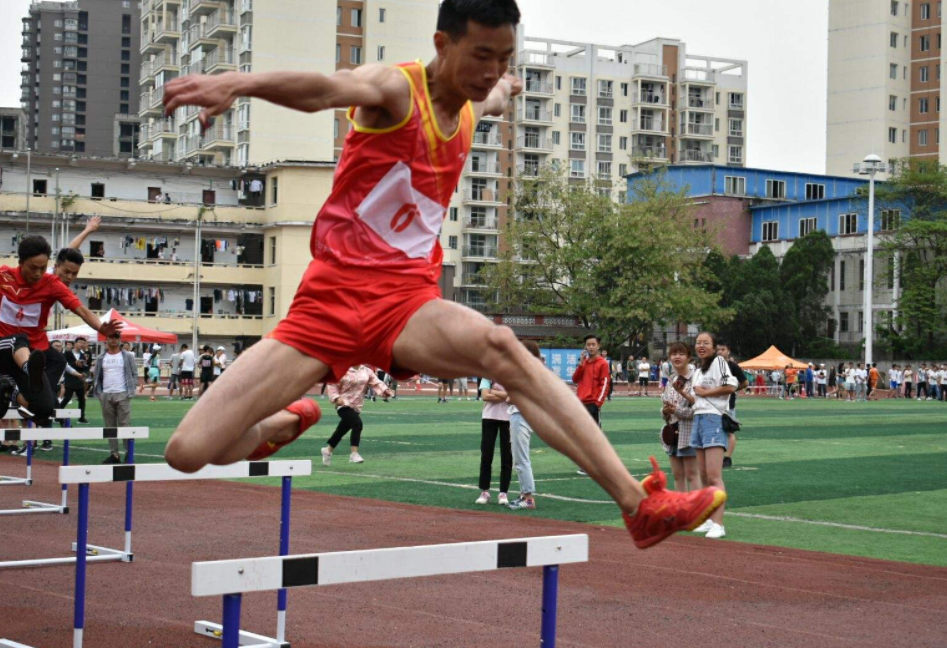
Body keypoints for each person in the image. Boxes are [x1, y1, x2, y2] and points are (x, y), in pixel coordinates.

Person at [161, 0, 726, 550]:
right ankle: (283, 423)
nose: (491, 71)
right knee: (187, 450)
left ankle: (639, 506)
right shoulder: (395, 89)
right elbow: (325, 89)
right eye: (481, 54)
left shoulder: (475, 105)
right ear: (442, 43)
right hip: (326, 306)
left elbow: (498, 95)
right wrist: (239, 82)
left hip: (405, 303)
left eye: (504, 58)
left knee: (502, 347)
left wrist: (507, 88)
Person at [685, 332, 737, 539]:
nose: (701, 346)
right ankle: (708, 519)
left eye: (706, 343)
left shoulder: (719, 363)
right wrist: (683, 393)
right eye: (698, 343)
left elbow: (731, 386)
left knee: (714, 475)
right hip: (698, 419)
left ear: (714, 347)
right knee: (704, 475)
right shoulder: (698, 370)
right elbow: (697, 398)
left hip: (713, 419)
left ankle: (718, 523)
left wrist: (705, 393)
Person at [322, 365, 392, 465]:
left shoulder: (366, 371)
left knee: (341, 431)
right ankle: (354, 454)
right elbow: (332, 383)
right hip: (343, 404)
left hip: (357, 406)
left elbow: (376, 383)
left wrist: (385, 390)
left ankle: (327, 451)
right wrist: (336, 398)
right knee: (357, 424)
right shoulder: (342, 369)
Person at [92, 332, 138, 464]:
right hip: (106, 394)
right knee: (110, 426)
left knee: (125, 424)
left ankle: (129, 453)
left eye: (116, 338)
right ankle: (114, 454)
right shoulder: (101, 357)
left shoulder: (127, 356)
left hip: (123, 393)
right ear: (106, 340)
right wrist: (100, 393)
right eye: (111, 337)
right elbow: (98, 376)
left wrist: (132, 387)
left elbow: (134, 373)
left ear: (119, 340)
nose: (113, 340)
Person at [660, 342, 700, 492]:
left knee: (692, 475)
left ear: (689, 357)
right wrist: (665, 411)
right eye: (674, 354)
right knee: (677, 476)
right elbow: (664, 406)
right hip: (672, 432)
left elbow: (699, 409)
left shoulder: (696, 378)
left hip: (689, 433)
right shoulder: (671, 379)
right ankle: (681, 509)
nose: (677, 357)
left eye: (681, 353)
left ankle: (696, 510)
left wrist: (676, 410)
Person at [508, 339, 543, 510]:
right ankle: (524, 494)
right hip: (526, 414)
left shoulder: (527, 370)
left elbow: (514, 396)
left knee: (521, 458)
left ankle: (528, 498)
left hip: (521, 414)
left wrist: (509, 397)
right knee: (520, 457)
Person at [571, 334, 610, 476]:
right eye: (588, 344)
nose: (591, 347)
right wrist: (581, 364)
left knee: (595, 435)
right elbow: (575, 378)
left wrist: (598, 403)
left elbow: (605, 384)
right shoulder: (584, 362)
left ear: (598, 346)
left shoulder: (603, 363)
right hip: (581, 403)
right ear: (585, 347)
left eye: (593, 344)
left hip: (593, 403)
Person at [475, 375, 512, 505]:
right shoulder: (488, 376)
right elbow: (485, 396)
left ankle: (503, 492)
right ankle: (484, 491)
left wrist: (493, 391)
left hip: (508, 419)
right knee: (486, 454)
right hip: (489, 417)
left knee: (507, 456)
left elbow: (513, 397)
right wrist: (504, 396)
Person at [715, 340, 747, 470]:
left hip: (728, 403)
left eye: (722, 349)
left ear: (728, 351)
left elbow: (745, 383)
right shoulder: (712, 365)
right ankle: (716, 456)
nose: (720, 352)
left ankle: (727, 457)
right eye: (717, 349)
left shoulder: (733, 366)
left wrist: (732, 390)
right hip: (713, 403)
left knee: (729, 430)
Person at [61, 336, 90, 423]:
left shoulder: (83, 355)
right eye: (80, 342)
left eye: (84, 343)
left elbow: (85, 367)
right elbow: (64, 365)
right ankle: (56, 414)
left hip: (80, 380)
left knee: (82, 399)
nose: (82, 344)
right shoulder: (67, 353)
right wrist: (76, 363)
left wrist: (85, 373)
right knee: (67, 398)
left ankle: (81, 418)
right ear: (75, 343)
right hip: (69, 379)